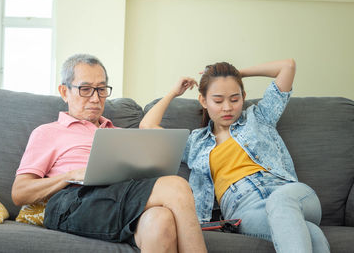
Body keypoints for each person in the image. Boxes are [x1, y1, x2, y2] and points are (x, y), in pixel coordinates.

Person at [11, 53, 207, 253]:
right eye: (86, 89)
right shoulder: (48, 132)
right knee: (176, 186)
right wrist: (70, 175)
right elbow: (19, 193)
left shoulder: (120, 135)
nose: (96, 98)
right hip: (72, 201)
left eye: (102, 89)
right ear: (64, 91)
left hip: (121, 199)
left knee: (160, 220)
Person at [140, 59, 330, 253]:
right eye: (218, 100)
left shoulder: (260, 117)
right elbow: (147, 127)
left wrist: (237, 74)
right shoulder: (195, 143)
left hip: (290, 194)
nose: (227, 108)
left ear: (243, 96)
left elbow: (287, 66)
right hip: (246, 210)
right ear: (204, 101)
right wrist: (173, 92)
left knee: (281, 201)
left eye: (234, 99)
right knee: (311, 233)